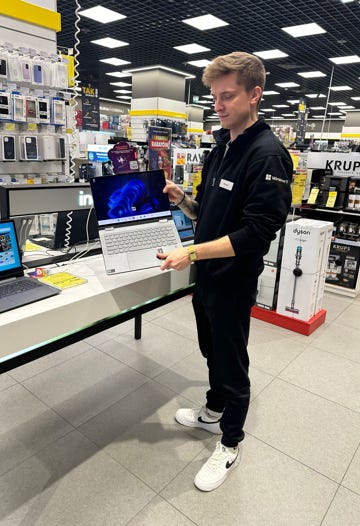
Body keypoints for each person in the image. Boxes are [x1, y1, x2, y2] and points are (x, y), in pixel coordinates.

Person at [156, 51, 293, 492]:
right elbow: (209, 217)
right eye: (214, 96)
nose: (218, 104)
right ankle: (212, 409)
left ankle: (230, 442)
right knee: (210, 348)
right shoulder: (221, 148)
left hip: (233, 280)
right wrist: (182, 200)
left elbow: (256, 232)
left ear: (254, 95)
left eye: (227, 96)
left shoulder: (267, 155)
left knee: (231, 360)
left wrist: (193, 255)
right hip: (208, 276)